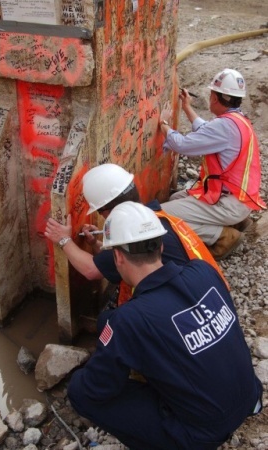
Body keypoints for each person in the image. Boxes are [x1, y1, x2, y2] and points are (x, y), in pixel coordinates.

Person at [68, 201, 263, 450]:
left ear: (117, 256)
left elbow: (96, 388)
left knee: (80, 391)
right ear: (161, 245)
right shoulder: (203, 271)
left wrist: (82, 375)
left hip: (201, 434)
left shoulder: (130, 319)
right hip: (249, 396)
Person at [44, 164, 228, 310]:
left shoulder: (136, 235)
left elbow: (92, 270)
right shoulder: (155, 218)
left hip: (191, 308)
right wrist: (96, 243)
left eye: (100, 212)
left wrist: (63, 240)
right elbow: (120, 260)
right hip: (213, 296)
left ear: (107, 209)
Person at [159, 68, 266, 260]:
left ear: (215, 98)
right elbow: (206, 130)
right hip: (237, 199)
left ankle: (223, 236)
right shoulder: (238, 121)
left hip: (228, 204)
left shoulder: (224, 125)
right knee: (176, 199)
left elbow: (183, 145)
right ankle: (233, 223)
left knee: (162, 217)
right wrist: (187, 108)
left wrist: (163, 124)